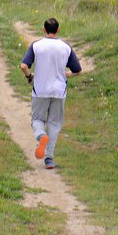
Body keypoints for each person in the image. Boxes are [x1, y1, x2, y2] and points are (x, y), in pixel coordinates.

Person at [19, 17, 81, 170]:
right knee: (54, 124)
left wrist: (29, 76)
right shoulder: (65, 47)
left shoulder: (36, 46)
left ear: (43, 30)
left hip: (40, 90)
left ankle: (41, 137)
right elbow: (77, 70)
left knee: (37, 120)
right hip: (59, 91)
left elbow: (23, 66)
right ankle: (49, 159)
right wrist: (67, 75)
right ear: (58, 30)